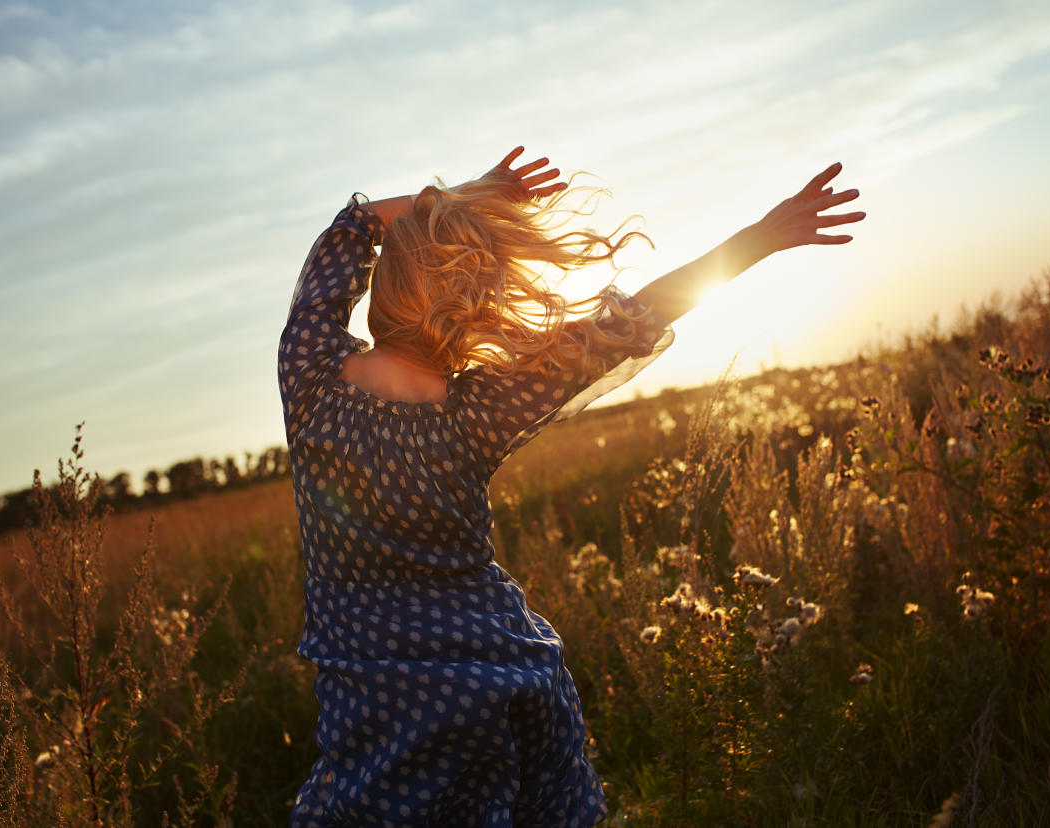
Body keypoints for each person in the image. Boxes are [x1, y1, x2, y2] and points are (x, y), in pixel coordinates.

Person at [278, 148, 863, 826]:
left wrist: (460, 197)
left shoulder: (308, 372)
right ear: (475, 304)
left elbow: (349, 227)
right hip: (502, 691)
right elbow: (633, 319)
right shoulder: (477, 413)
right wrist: (760, 238)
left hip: (372, 713)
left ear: (388, 287)